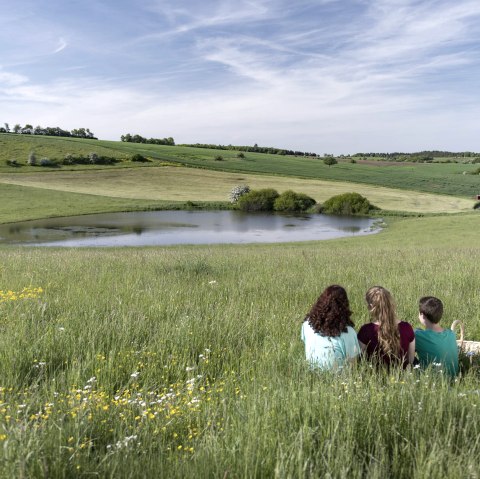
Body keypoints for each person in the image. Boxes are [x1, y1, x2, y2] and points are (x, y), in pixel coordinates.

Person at [301, 285, 360, 370]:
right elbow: (353, 365)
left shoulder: (307, 325)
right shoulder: (348, 333)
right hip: (339, 380)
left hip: (312, 374)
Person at [357, 286, 415, 368]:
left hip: (374, 378)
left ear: (370, 306)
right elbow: (411, 360)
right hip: (401, 378)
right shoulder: (407, 328)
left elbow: (358, 359)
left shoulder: (366, 330)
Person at [414, 296, 459, 377]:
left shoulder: (418, 336)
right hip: (454, 379)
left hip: (432, 381)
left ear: (422, 315)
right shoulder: (451, 334)